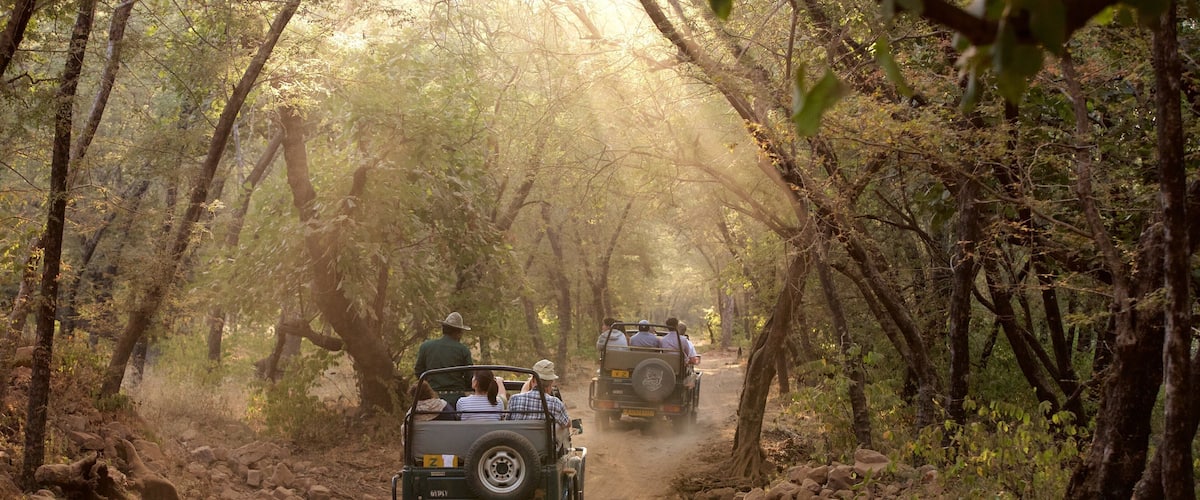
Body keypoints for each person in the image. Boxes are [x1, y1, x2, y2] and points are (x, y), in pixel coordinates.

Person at [414, 311, 474, 407]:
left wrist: (430, 388)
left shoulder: (426, 346)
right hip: (456, 399)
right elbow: (469, 376)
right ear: (457, 332)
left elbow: (418, 371)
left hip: (432, 398)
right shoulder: (463, 350)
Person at [506, 359, 570, 430]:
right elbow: (567, 423)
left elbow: (507, 421)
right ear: (551, 382)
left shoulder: (514, 399)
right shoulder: (556, 403)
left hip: (516, 440)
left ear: (532, 380)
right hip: (543, 441)